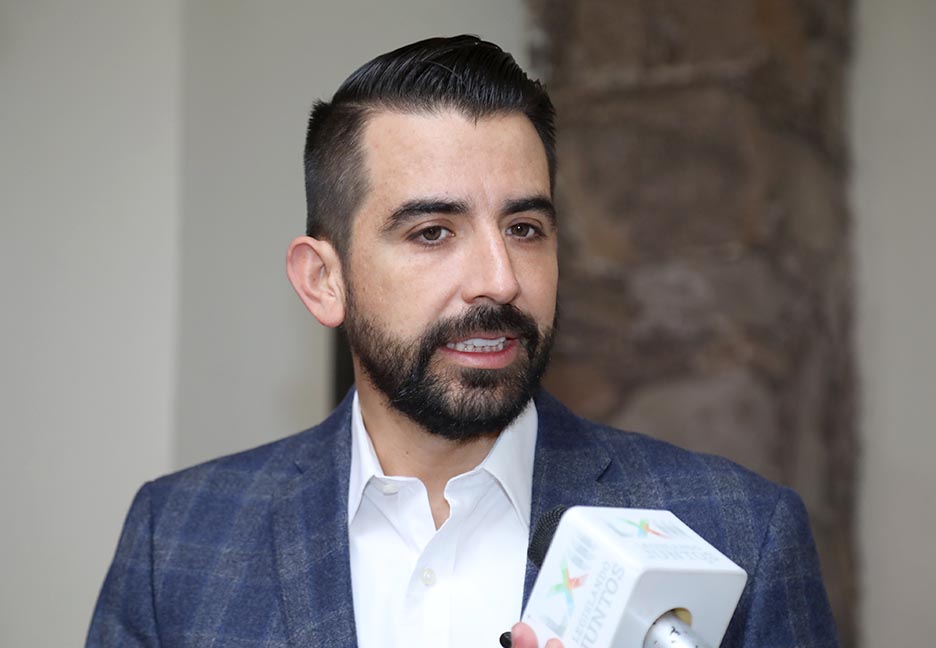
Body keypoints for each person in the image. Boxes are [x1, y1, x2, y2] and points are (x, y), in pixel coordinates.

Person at [87, 36, 838, 648]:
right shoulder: (176, 541)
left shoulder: (738, 535)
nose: (500, 281)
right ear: (324, 280)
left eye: (525, 228)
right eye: (433, 232)